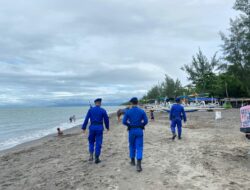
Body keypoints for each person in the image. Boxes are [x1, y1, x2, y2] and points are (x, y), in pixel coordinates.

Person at [122, 97, 148, 172]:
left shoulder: (128, 112)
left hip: (132, 130)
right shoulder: (141, 111)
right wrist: (142, 124)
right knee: (139, 147)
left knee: (131, 145)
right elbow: (146, 121)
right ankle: (139, 165)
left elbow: (124, 122)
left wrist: (129, 125)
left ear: (131, 103)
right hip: (139, 130)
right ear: (137, 102)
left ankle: (132, 161)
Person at [82, 98, 109, 164]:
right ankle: (97, 157)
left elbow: (86, 119)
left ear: (95, 103)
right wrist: (107, 127)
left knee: (91, 142)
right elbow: (106, 120)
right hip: (99, 128)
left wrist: (84, 127)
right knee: (98, 143)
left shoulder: (90, 110)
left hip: (92, 128)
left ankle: (91, 155)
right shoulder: (103, 110)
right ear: (100, 103)